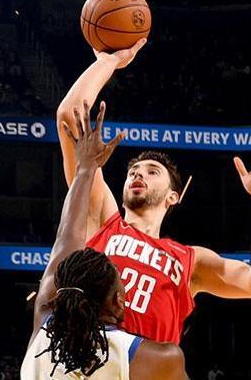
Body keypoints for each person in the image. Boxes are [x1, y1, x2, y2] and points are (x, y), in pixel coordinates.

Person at [56, 39, 251, 344]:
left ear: (173, 196)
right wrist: (110, 62)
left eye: (152, 172)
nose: (138, 174)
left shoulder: (191, 260)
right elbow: (70, 117)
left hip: (152, 369)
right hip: (94, 363)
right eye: (133, 172)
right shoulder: (104, 219)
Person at [22, 102, 188, 379]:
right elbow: (65, 246)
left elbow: (66, 240)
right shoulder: (154, 357)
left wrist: (85, 168)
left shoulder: (43, 328)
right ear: (119, 302)